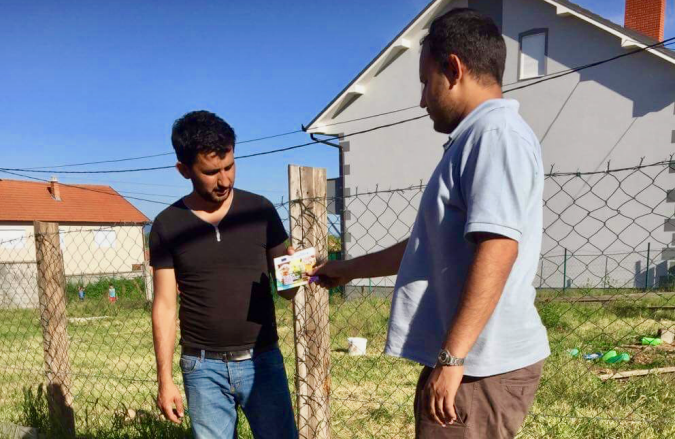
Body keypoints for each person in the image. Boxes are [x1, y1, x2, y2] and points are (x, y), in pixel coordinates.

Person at [312, 9, 549, 439]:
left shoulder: (495, 136)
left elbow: (498, 247)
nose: (423, 99)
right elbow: (426, 247)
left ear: (453, 69)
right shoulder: (474, 141)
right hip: (468, 361)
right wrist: (344, 269)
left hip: (479, 365)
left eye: (426, 82)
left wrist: (454, 358)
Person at [149, 110, 298, 439]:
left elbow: (287, 291)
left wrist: (296, 271)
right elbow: (164, 305)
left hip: (263, 361)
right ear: (184, 170)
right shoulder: (166, 225)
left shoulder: (260, 210)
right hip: (202, 368)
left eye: (230, 166)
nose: (225, 180)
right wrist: (165, 379)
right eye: (211, 172)